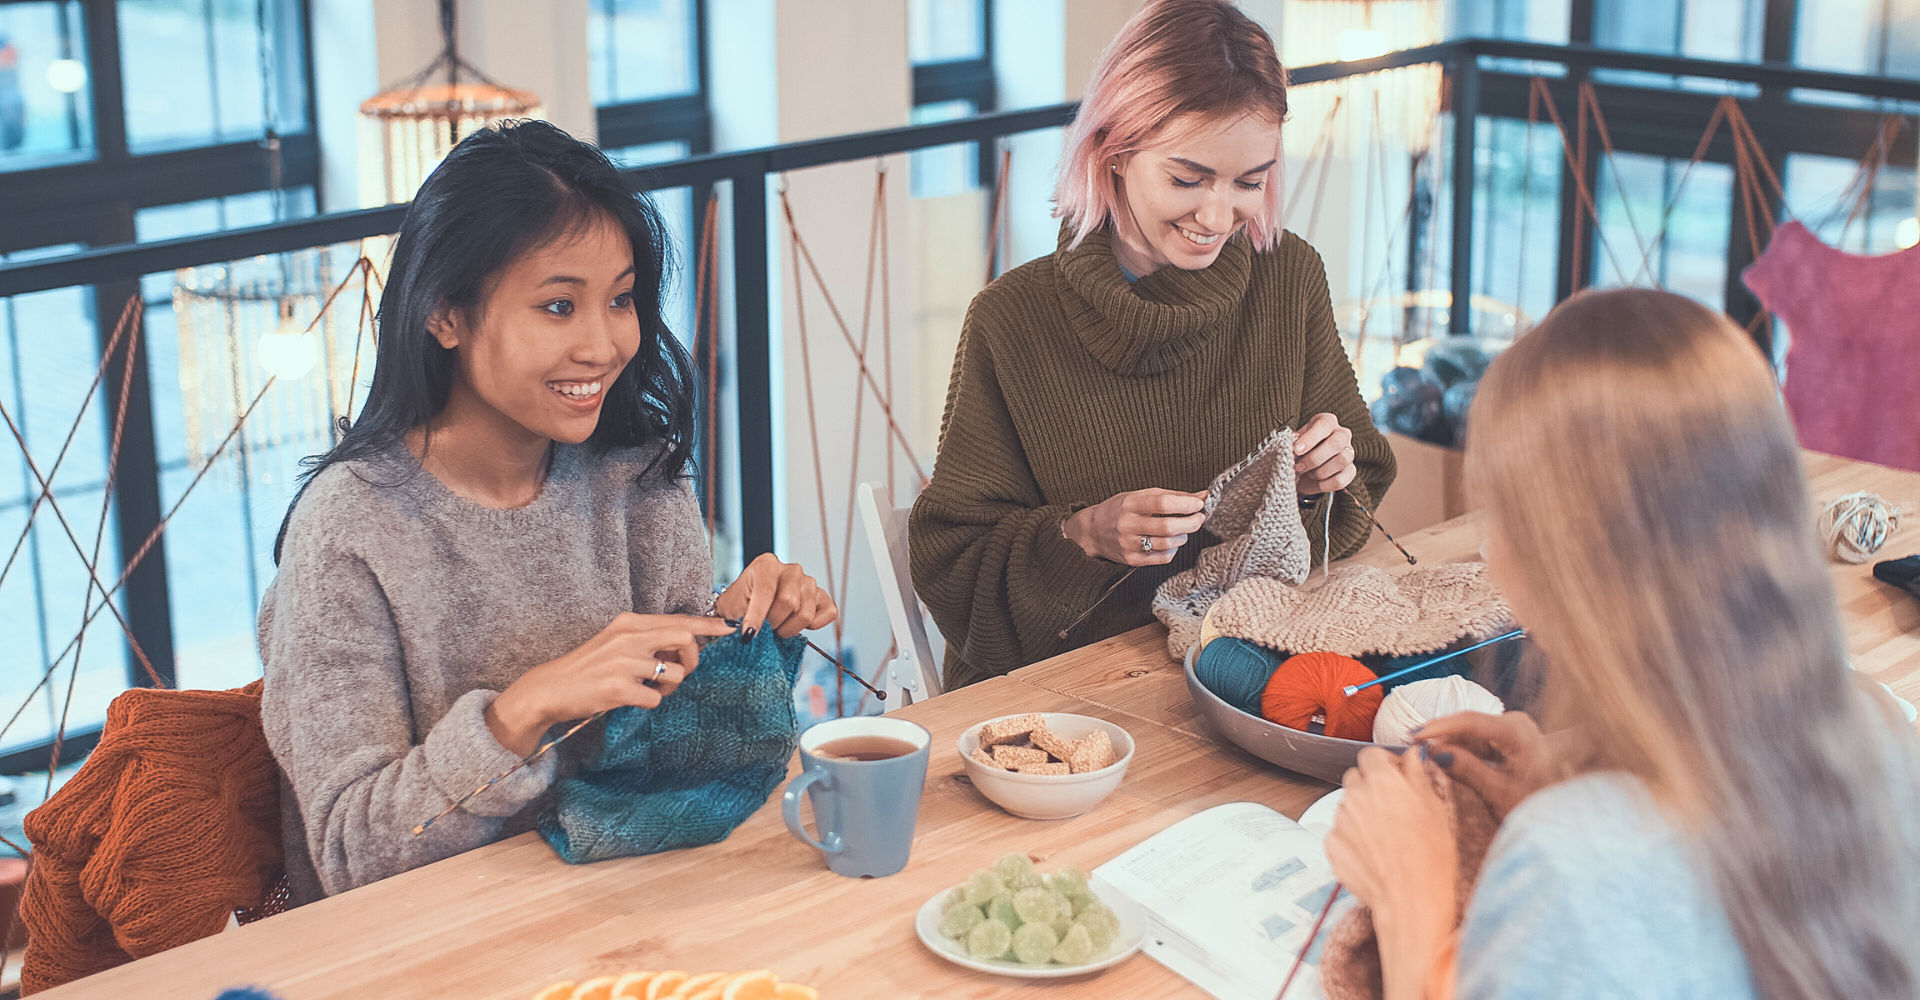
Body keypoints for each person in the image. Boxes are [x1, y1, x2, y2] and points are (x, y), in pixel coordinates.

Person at [260, 120, 836, 903]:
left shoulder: (638, 476)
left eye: (622, 300)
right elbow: (352, 856)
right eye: (559, 307)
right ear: (445, 314)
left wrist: (735, 634)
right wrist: (523, 711)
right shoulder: (351, 530)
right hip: (435, 948)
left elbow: (665, 771)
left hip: (631, 905)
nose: (603, 346)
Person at [1325, 288, 1920, 999]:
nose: (1490, 550)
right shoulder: (1877, 729)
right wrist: (1574, 778)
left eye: (1501, 513)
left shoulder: (1571, 863)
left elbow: (1615, 884)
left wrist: (1408, 897)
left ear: (1566, 552)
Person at [909, 0, 1395, 689]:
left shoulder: (1289, 277)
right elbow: (955, 569)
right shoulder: (1011, 320)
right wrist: (1084, 538)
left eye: (1249, 182)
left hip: (1246, 671)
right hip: (1072, 701)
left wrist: (1320, 482)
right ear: (1114, 151)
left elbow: (1359, 494)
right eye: (1187, 179)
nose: (1217, 216)